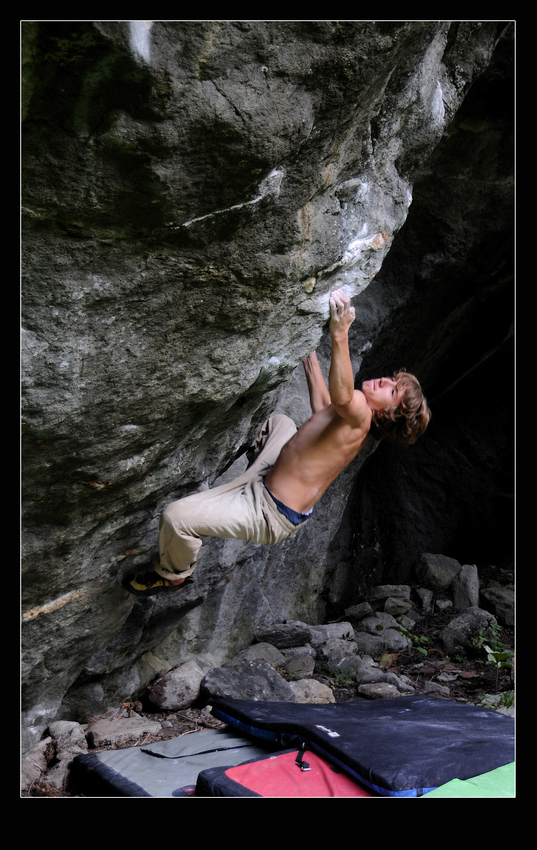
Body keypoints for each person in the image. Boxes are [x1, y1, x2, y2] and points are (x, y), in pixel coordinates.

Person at [121, 289, 430, 597]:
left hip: (269, 511)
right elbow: (325, 408)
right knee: (279, 423)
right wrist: (308, 351)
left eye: (392, 393)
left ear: (389, 416)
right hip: (271, 475)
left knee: (176, 517)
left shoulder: (361, 413)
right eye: (393, 381)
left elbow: (342, 396)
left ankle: (174, 574)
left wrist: (340, 334)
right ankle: (242, 485)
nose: (385, 382)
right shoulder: (354, 420)